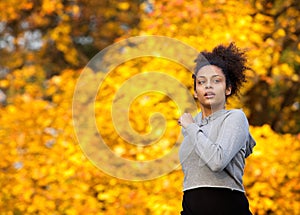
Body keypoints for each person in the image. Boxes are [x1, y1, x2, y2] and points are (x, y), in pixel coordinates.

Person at [178, 43, 256, 215]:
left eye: (216, 81)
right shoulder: (190, 124)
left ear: (228, 89)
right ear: (196, 92)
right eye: (201, 82)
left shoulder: (235, 117)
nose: (208, 86)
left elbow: (217, 162)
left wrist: (191, 127)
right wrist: (191, 126)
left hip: (228, 208)